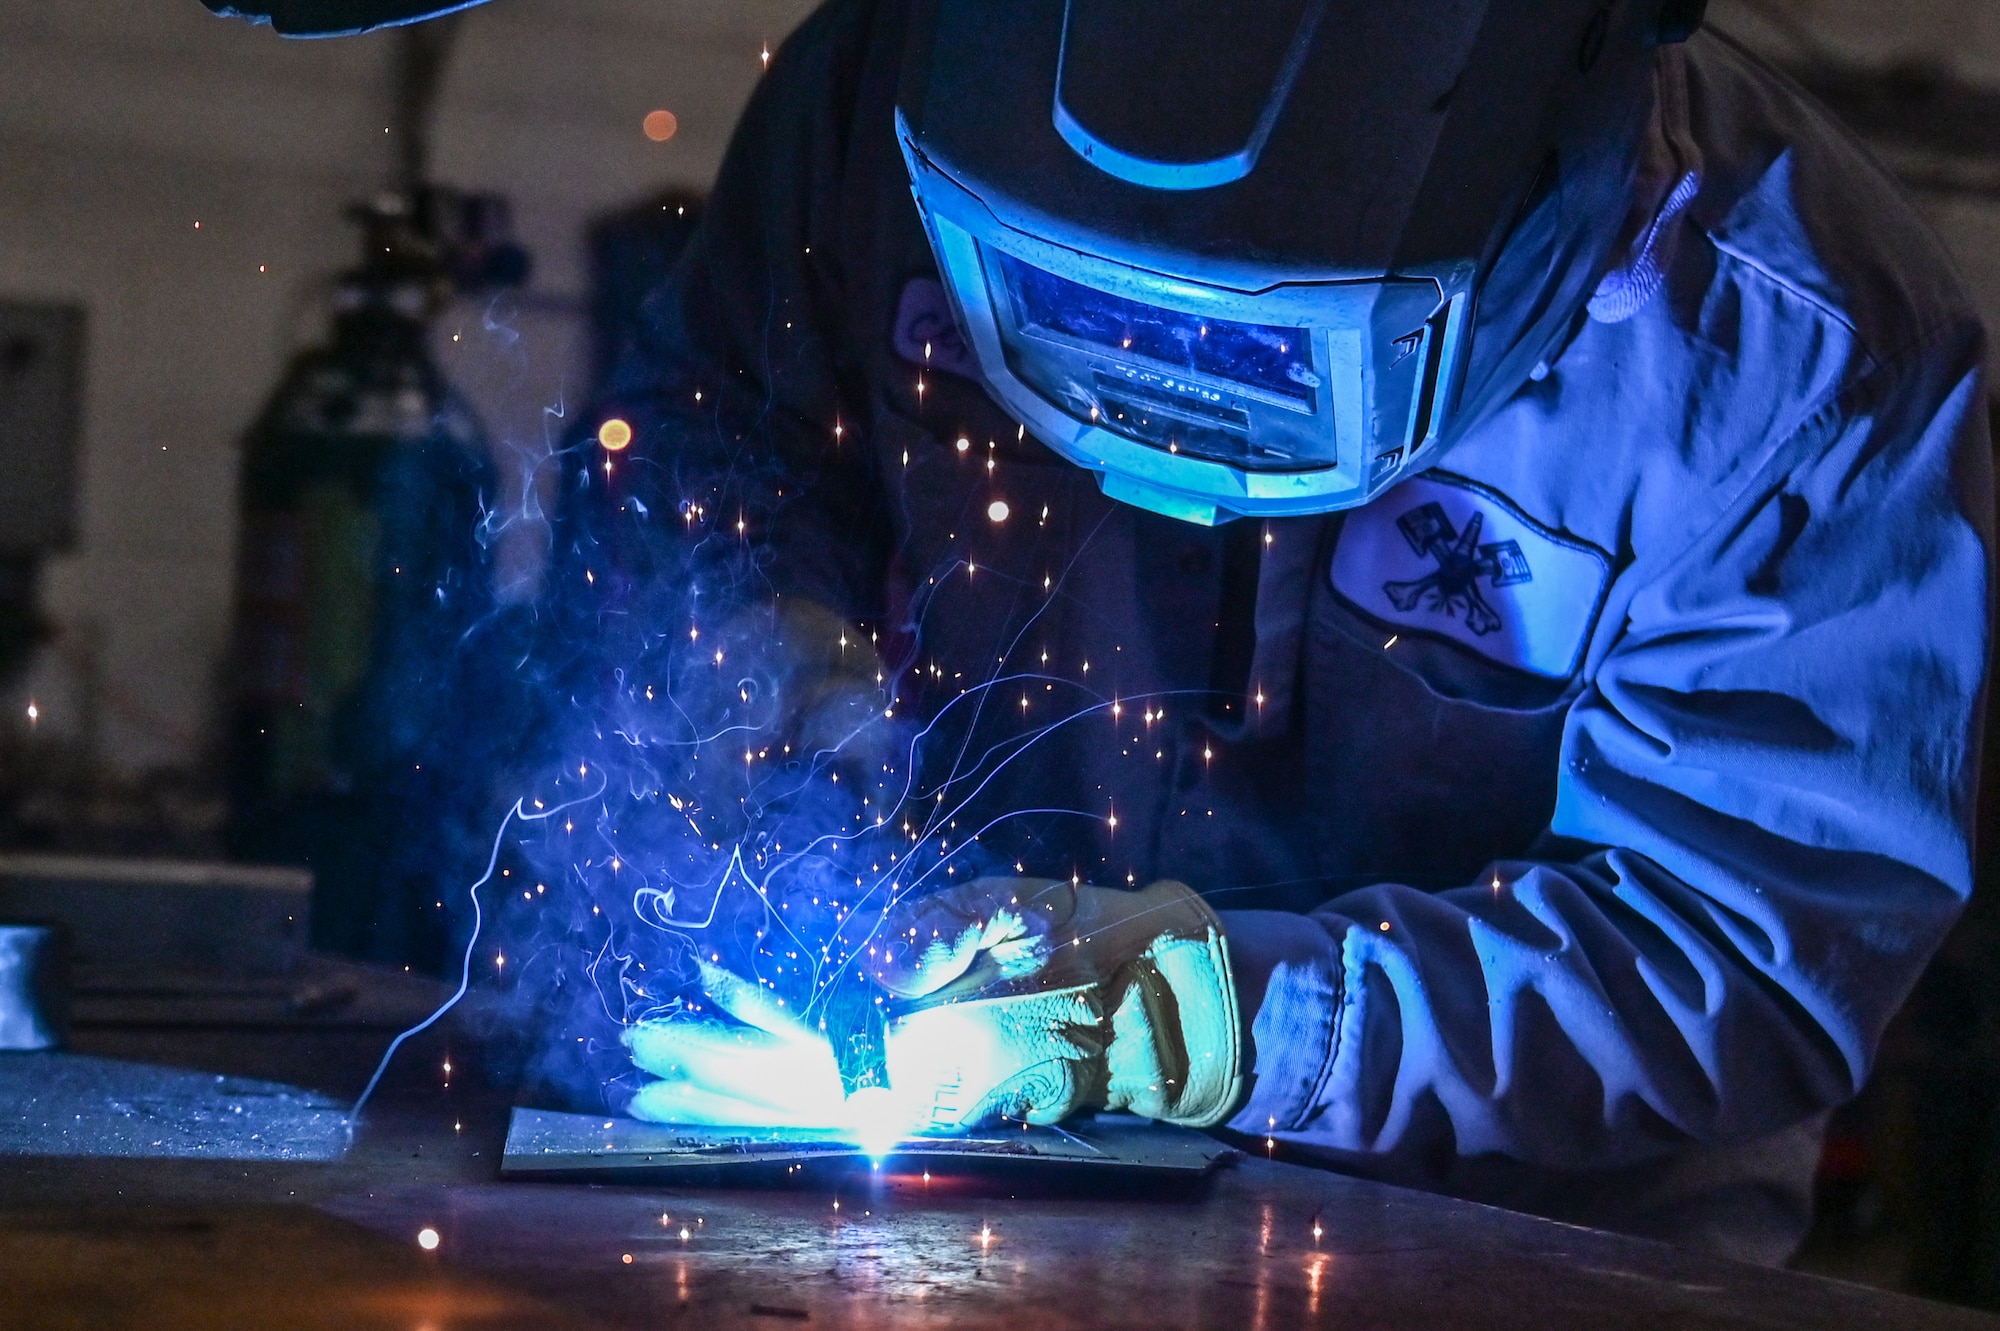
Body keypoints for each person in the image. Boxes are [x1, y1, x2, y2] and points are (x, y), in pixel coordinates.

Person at [210, 0, 1992, 1265]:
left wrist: (1237, 1024)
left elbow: (1742, 956)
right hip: (970, 1217)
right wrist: (762, 641)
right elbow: (707, 450)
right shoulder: (873, 90)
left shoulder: (1808, 362)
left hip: (1525, 1258)